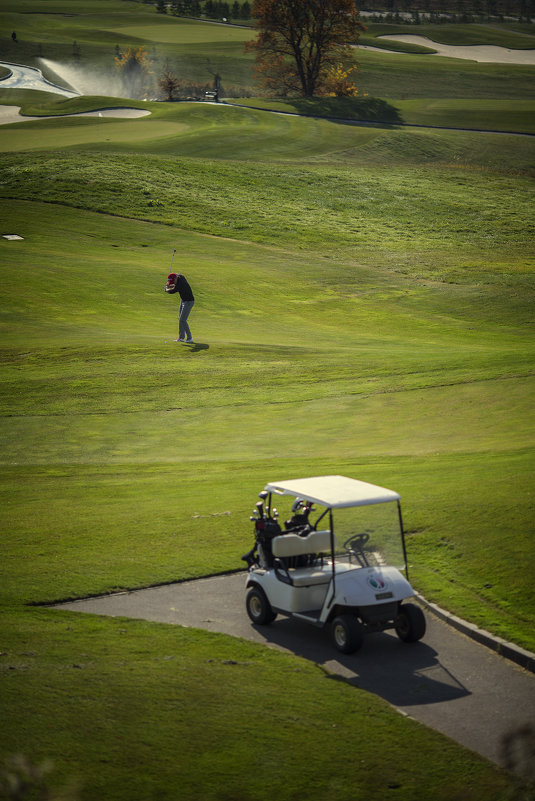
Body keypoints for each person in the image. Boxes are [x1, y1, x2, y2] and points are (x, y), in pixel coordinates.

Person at [165, 272, 195, 343]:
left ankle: (190, 338)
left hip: (189, 302)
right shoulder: (180, 276)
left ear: (176, 278)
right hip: (183, 300)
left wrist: (166, 289)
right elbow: (175, 278)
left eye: (173, 281)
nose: (173, 283)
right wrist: (169, 283)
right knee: (180, 318)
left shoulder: (180, 285)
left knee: (183, 320)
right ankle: (181, 337)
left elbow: (171, 291)